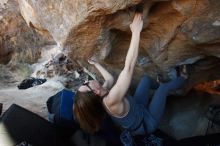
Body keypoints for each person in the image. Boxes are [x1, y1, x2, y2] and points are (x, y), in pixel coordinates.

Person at [73, 13, 186, 137]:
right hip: (146, 122)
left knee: (146, 80)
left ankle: (160, 84)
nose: (86, 81)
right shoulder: (111, 100)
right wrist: (136, 31)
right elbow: (129, 68)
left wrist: (95, 64)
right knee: (164, 89)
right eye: (86, 84)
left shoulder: (103, 92)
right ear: (95, 91)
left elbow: (109, 78)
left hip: (137, 108)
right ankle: (183, 78)